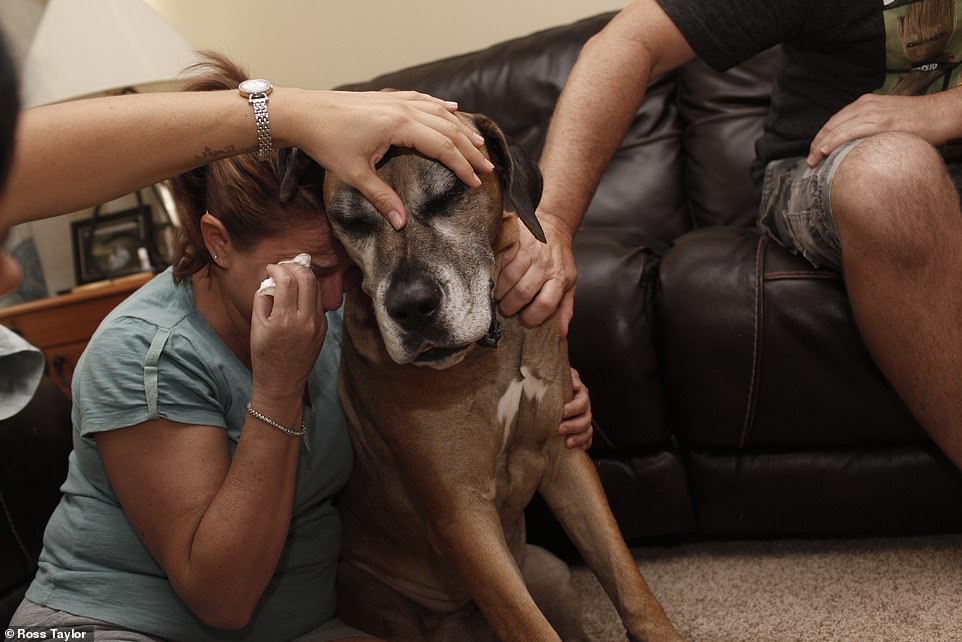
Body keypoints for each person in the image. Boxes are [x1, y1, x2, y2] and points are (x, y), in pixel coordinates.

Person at [7, 51, 593, 641]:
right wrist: (279, 388)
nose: (337, 298)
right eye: (311, 271)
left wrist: (544, 405)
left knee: (543, 591)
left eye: (348, 264)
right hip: (105, 627)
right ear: (217, 241)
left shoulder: (347, 303)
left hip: (306, 625)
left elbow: (456, 411)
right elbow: (223, 598)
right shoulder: (142, 353)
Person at [499, 0, 962, 472]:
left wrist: (945, 109)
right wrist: (552, 221)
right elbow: (630, 43)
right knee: (894, 175)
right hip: (839, 174)